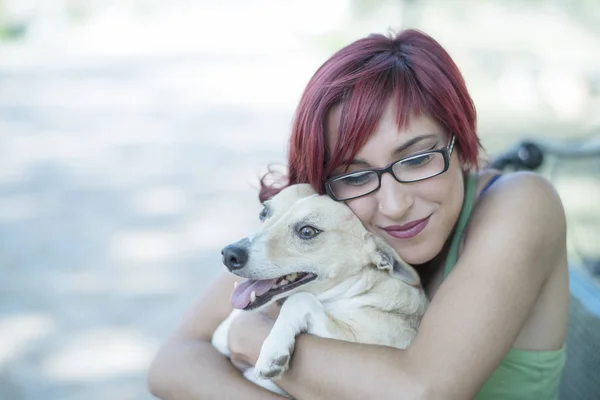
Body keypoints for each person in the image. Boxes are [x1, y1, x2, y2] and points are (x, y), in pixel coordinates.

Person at [147, 29, 569, 399]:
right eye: (355, 175)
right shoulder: (333, 220)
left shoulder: (520, 205)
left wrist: (253, 338)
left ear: (460, 141)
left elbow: (423, 391)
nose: (393, 204)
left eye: (418, 158)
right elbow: (173, 362)